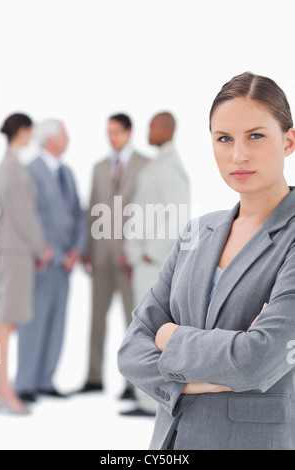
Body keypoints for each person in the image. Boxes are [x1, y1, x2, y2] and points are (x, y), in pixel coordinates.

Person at [118, 71, 295, 450]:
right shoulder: (197, 232)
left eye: (256, 136)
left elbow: (256, 361)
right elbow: (131, 350)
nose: (239, 155)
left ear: (288, 141)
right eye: (224, 139)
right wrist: (194, 381)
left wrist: (169, 337)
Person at [120, 112, 190, 417]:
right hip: (143, 262)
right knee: (142, 328)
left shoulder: (171, 167)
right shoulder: (158, 162)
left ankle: (152, 399)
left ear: (166, 129)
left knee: (150, 329)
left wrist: (149, 253)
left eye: (152, 126)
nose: (148, 132)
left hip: (154, 264)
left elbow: (177, 216)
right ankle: (144, 394)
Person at [15, 119, 87, 403]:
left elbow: (78, 214)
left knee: (57, 321)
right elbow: (27, 217)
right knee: (33, 322)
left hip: (66, 263)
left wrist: (76, 250)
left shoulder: (66, 172)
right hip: (41, 262)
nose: (69, 139)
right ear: (50, 139)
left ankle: (46, 380)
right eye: (65, 134)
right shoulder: (30, 170)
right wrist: (52, 253)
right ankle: (25, 383)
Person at [80, 114, 149, 398]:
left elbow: (146, 212)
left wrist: (138, 253)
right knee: (97, 318)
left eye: (117, 132)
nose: (112, 137)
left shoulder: (145, 165)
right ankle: (94, 377)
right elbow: (92, 210)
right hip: (100, 257)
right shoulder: (98, 168)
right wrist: (87, 251)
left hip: (128, 258)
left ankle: (133, 384)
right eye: (108, 132)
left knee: (133, 322)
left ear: (129, 132)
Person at [0, 113, 52, 415]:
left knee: (7, 321)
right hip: (15, 248)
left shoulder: (11, 164)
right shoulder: (12, 167)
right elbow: (22, 214)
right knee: (5, 322)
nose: (32, 136)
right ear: (21, 131)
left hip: (14, 248)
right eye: (30, 131)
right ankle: (3, 388)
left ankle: (2, 385)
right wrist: (39, 248)